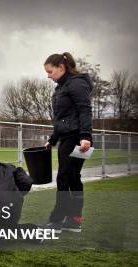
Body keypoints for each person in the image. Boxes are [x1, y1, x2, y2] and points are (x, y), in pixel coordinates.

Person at [43, 52, 93, 233]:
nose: (48, 76)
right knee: (72, 178)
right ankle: (74, 220)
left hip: (77, 139)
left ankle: (56, 221)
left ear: (61, 67)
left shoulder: (77, 84)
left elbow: (85, 111)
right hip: (66, 138)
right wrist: (53, 139)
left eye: (50, 71)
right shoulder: (61, 87)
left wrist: (85, 136)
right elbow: (60, 118)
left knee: (64, 178)